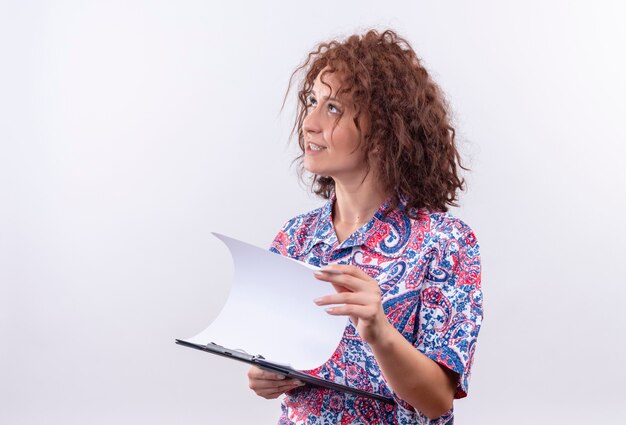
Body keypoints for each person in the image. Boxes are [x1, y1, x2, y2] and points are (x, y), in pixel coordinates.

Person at [247, 29, 483, 425]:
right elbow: (265, 357)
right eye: (311, 102)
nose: (310, 123)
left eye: (333, 108)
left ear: (384, 128)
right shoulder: (295, 238)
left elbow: (438, 401)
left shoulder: (447, 243)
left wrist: (379, 331)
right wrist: (262, 375)